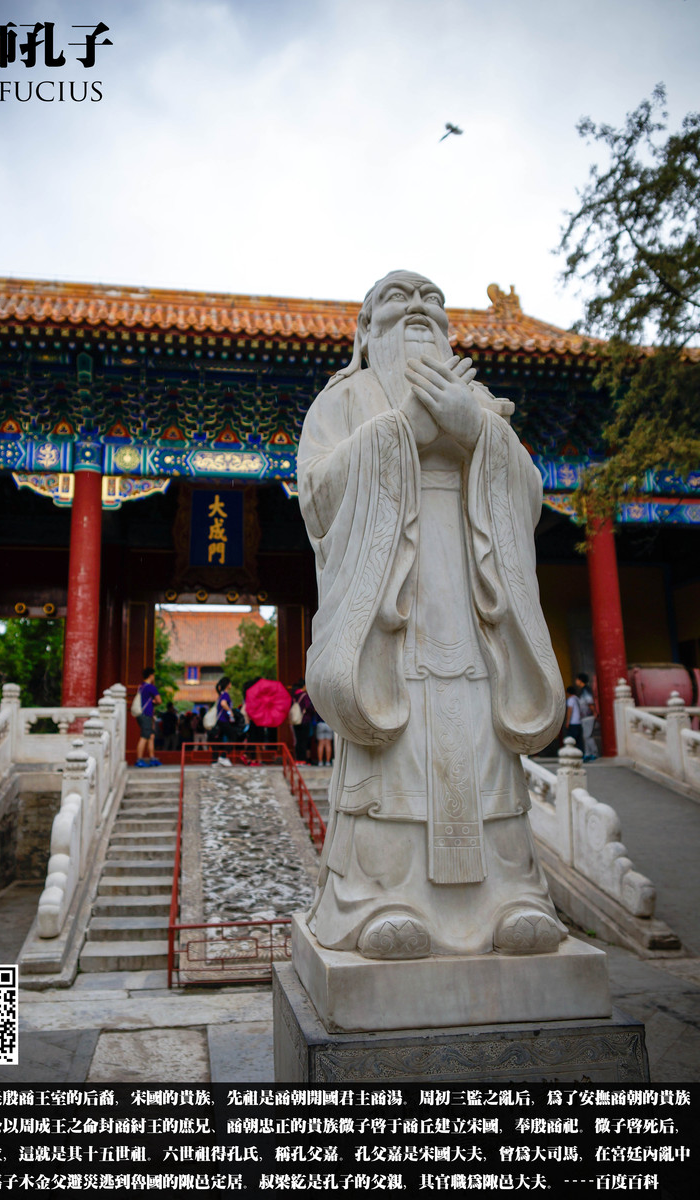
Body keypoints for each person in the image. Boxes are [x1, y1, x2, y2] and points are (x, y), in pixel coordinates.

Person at [297, 269, 567, 959]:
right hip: (388, 620)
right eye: (397, 300)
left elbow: (530, 495)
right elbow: (319, 500)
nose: (418, 308)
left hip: (475, 614)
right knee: (394, 761)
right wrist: (403, 431)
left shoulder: (477, 401)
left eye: (432, 305)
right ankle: (379, 900)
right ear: (365, 332)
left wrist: (477, 430)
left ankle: (511, 896)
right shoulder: (344, 401)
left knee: (482, 750)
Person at [134, 667, 161, 767]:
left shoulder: (140, 686)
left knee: (151, 736)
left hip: (141, 714)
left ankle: (152, 757)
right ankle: (139, 759)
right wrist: (154, 702)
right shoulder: (151, 687)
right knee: (144, 736)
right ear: (151, 675)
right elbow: (159, 700)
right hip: (146, 714)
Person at [291, 679, 316, 764]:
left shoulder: (294, 695)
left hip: (296, 720)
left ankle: (298, 759)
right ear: (304, 686)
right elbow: (309, 707)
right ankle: (303, 759)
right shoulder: (304, 695)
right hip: (304, 720)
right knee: (304, 740)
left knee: (298, 740)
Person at [576, 672, 598, 761]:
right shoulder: (583, 691)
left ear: (580, 680)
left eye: (577, 679)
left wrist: (594, 712)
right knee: (586, 736)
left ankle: (594, 753)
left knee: (588, 736)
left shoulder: (585, 691)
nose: (576, 681)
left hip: (588, 716)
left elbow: (590, 703)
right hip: (584, 717)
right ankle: (588, 753)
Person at [565, 685, 585, 755]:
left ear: (568, 693)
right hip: (579, 722)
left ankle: (569, 754)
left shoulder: (570, 699)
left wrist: (568, 721)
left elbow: (570, 710)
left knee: (570, 739)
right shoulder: (577, 698)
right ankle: (581, 754)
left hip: (573, 722)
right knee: (579, 740)